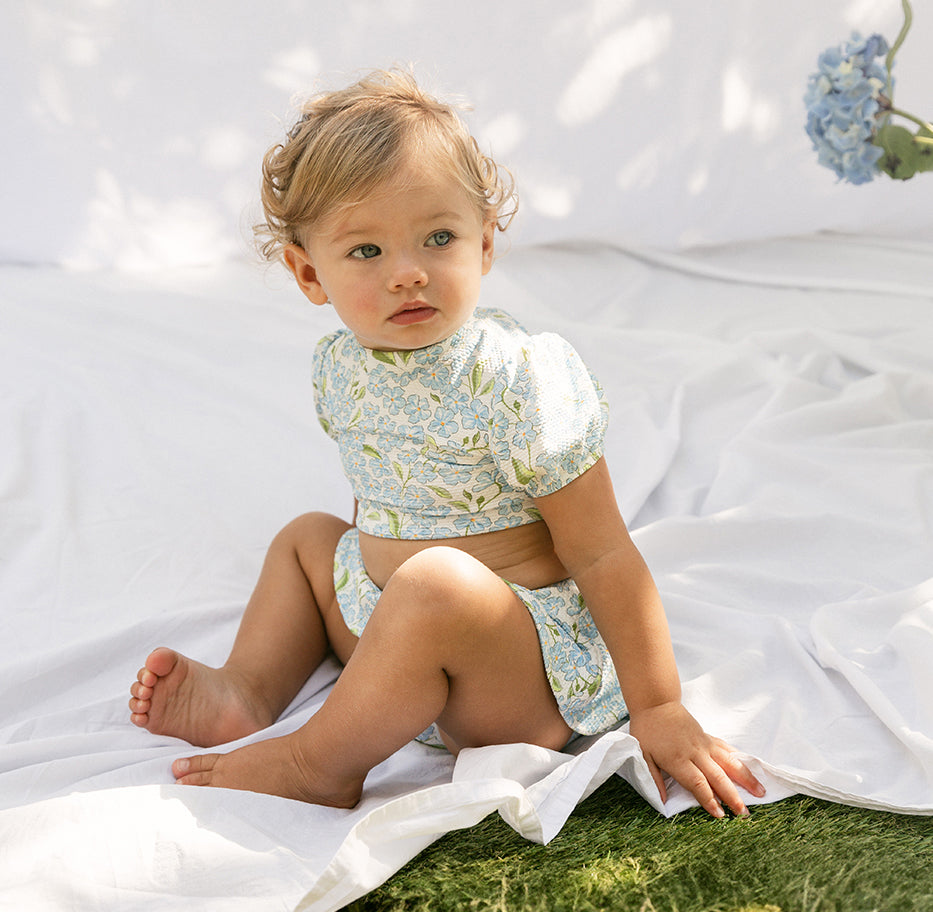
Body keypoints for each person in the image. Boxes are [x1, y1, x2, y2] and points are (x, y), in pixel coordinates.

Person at [128, 68, 766, 817]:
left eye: (438, 237)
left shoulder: (515, 377)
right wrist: (373, 601)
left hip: (511, 676)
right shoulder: (341, 366)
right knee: (307, 539)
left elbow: (602, 551)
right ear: (309, 274)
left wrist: (657, 706)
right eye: (365, 251)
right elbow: (385, 494)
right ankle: (247, 689)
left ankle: (319, 762)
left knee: (433, 582)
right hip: (389, 640)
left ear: (485, 243)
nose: (408, 273)